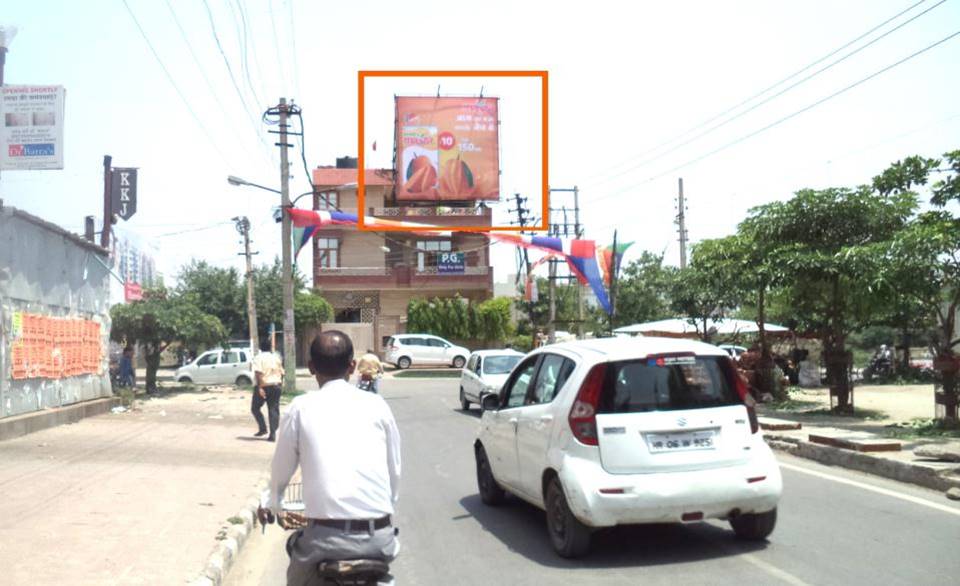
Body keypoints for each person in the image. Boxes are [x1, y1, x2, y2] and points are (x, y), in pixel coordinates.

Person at [259, 331, 401, 585]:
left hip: (325, 540)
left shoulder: (300, 408)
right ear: (352, 366)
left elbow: (281, 468)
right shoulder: (378, 405)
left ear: (311, 367)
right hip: (380, 538)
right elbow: (394, 470)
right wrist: (384, 506)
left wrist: (272, 502)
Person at [252, 340, 284, 442]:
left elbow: (258, 373)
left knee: (255, 408)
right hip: (276, 385)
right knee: (273, 409)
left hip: (264, 385)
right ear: (270, 348)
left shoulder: (258, 358)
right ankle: (273, 434)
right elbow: (282, 372)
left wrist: (260, 387)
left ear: (261, 348)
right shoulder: (276, 357)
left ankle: (263, 428)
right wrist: (280, 384)